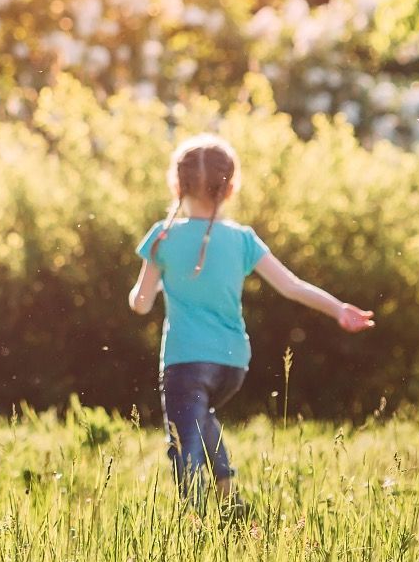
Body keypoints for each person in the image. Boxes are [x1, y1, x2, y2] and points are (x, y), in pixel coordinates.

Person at [129, 133, 373, 505]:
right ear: (229, 189)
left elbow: (140, 304)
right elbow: (291, 286)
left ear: (177, 184)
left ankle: (193, 522)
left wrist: (155, 284)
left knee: (185, 445)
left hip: (185, 362)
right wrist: (339, 309)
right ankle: (229, 497)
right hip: (232, 364)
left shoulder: (161, 238)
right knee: (201, 416)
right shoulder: (242, 239)